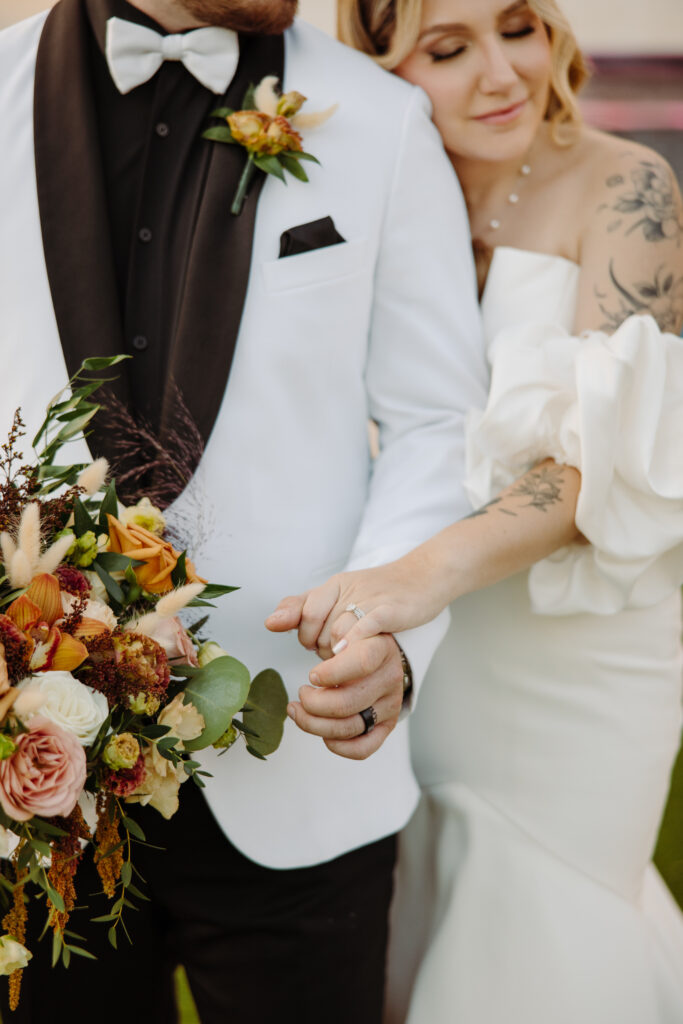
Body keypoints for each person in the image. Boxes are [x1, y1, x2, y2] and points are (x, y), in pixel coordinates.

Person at [0, 0, 489, 1020]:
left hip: (304, 774)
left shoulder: (381, 119)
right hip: (34, 791)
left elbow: (436, 423)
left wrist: (387, 632)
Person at [267, 0, 683, 1020]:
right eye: (448, 51)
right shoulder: (364, 197)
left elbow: (592, 466)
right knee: (434, 913)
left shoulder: (626, 187)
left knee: (548, 920)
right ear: (377, 70)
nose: (502, 74)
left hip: (578, 647)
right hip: (426, 648)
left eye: (518, 29)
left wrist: (408, 580)